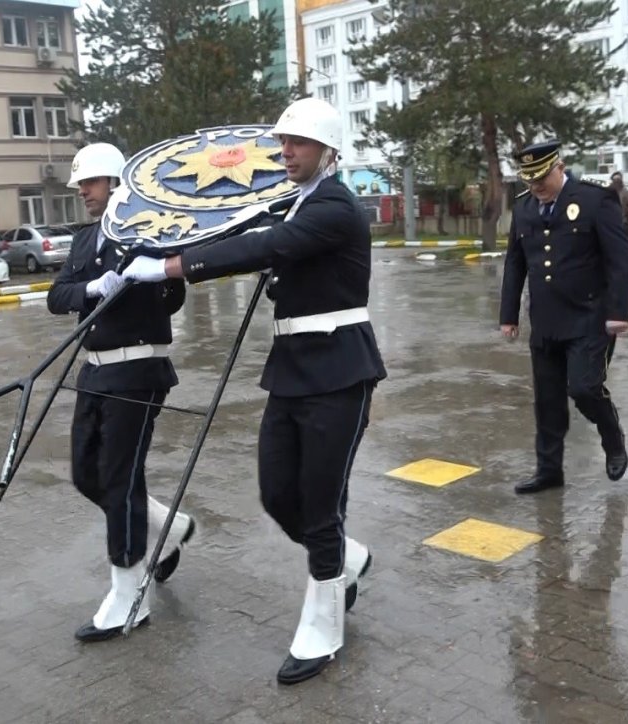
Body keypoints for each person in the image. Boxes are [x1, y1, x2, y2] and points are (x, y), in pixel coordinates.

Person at [120, 97, 385, 685]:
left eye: (299, 144)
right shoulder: (296, 203)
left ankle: (323, 626)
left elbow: (260, 248)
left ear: (328, 151)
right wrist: (168, 240)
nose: (286, 152)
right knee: (276, 493)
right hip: (292, 366)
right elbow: (244, 229)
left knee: (320, 504)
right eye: (284, 142)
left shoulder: (336, 205)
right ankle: (347, 559)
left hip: (339, 369)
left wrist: (171, 268)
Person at [45, 143, 197, 643]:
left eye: (89, 182)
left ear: (115, 182)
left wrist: (153, 266)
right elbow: (57, 295)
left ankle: (129, 595)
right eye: (82, 185)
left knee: (119, 479)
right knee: (87, 474)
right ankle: (169, 530)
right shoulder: (88, 238)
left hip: (137, 371)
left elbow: (173, 295)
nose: (83, 192)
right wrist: (93, 287)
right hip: (93, 371)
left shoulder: (149, 231)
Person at [499, 140, 628, 495]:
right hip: (545, 321)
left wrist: (619, 312)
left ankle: (612, 436)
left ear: (559, 167)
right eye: (530, 181)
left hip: (590, 317)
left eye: (542, 178)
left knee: (584, 387)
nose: (537, 187)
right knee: (547, 401)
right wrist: (508, 315)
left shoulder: (595, 200)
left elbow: (620, 259)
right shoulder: (524, 208)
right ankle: (548, 471)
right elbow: (515, 263)